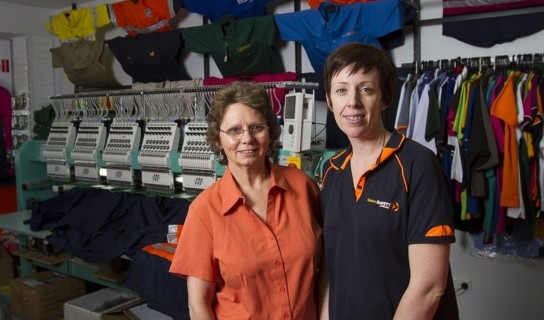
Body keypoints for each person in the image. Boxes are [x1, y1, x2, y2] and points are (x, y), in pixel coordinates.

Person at [320, 42, 459, 319]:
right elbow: (331, 269)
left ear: (384, 98)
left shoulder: (417, 165)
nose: (353, 102)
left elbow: (429, 287)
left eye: (366, 89)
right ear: (330, 100)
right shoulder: (331, 171)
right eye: (341, 90)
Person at [169, 81, 324, 319]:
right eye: (234, 130)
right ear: (219, 140)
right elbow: (198, 303)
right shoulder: (204, 210)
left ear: (269, 132)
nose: (247, 139)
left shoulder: (303, 188)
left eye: (256, 127)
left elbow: (327, 269)